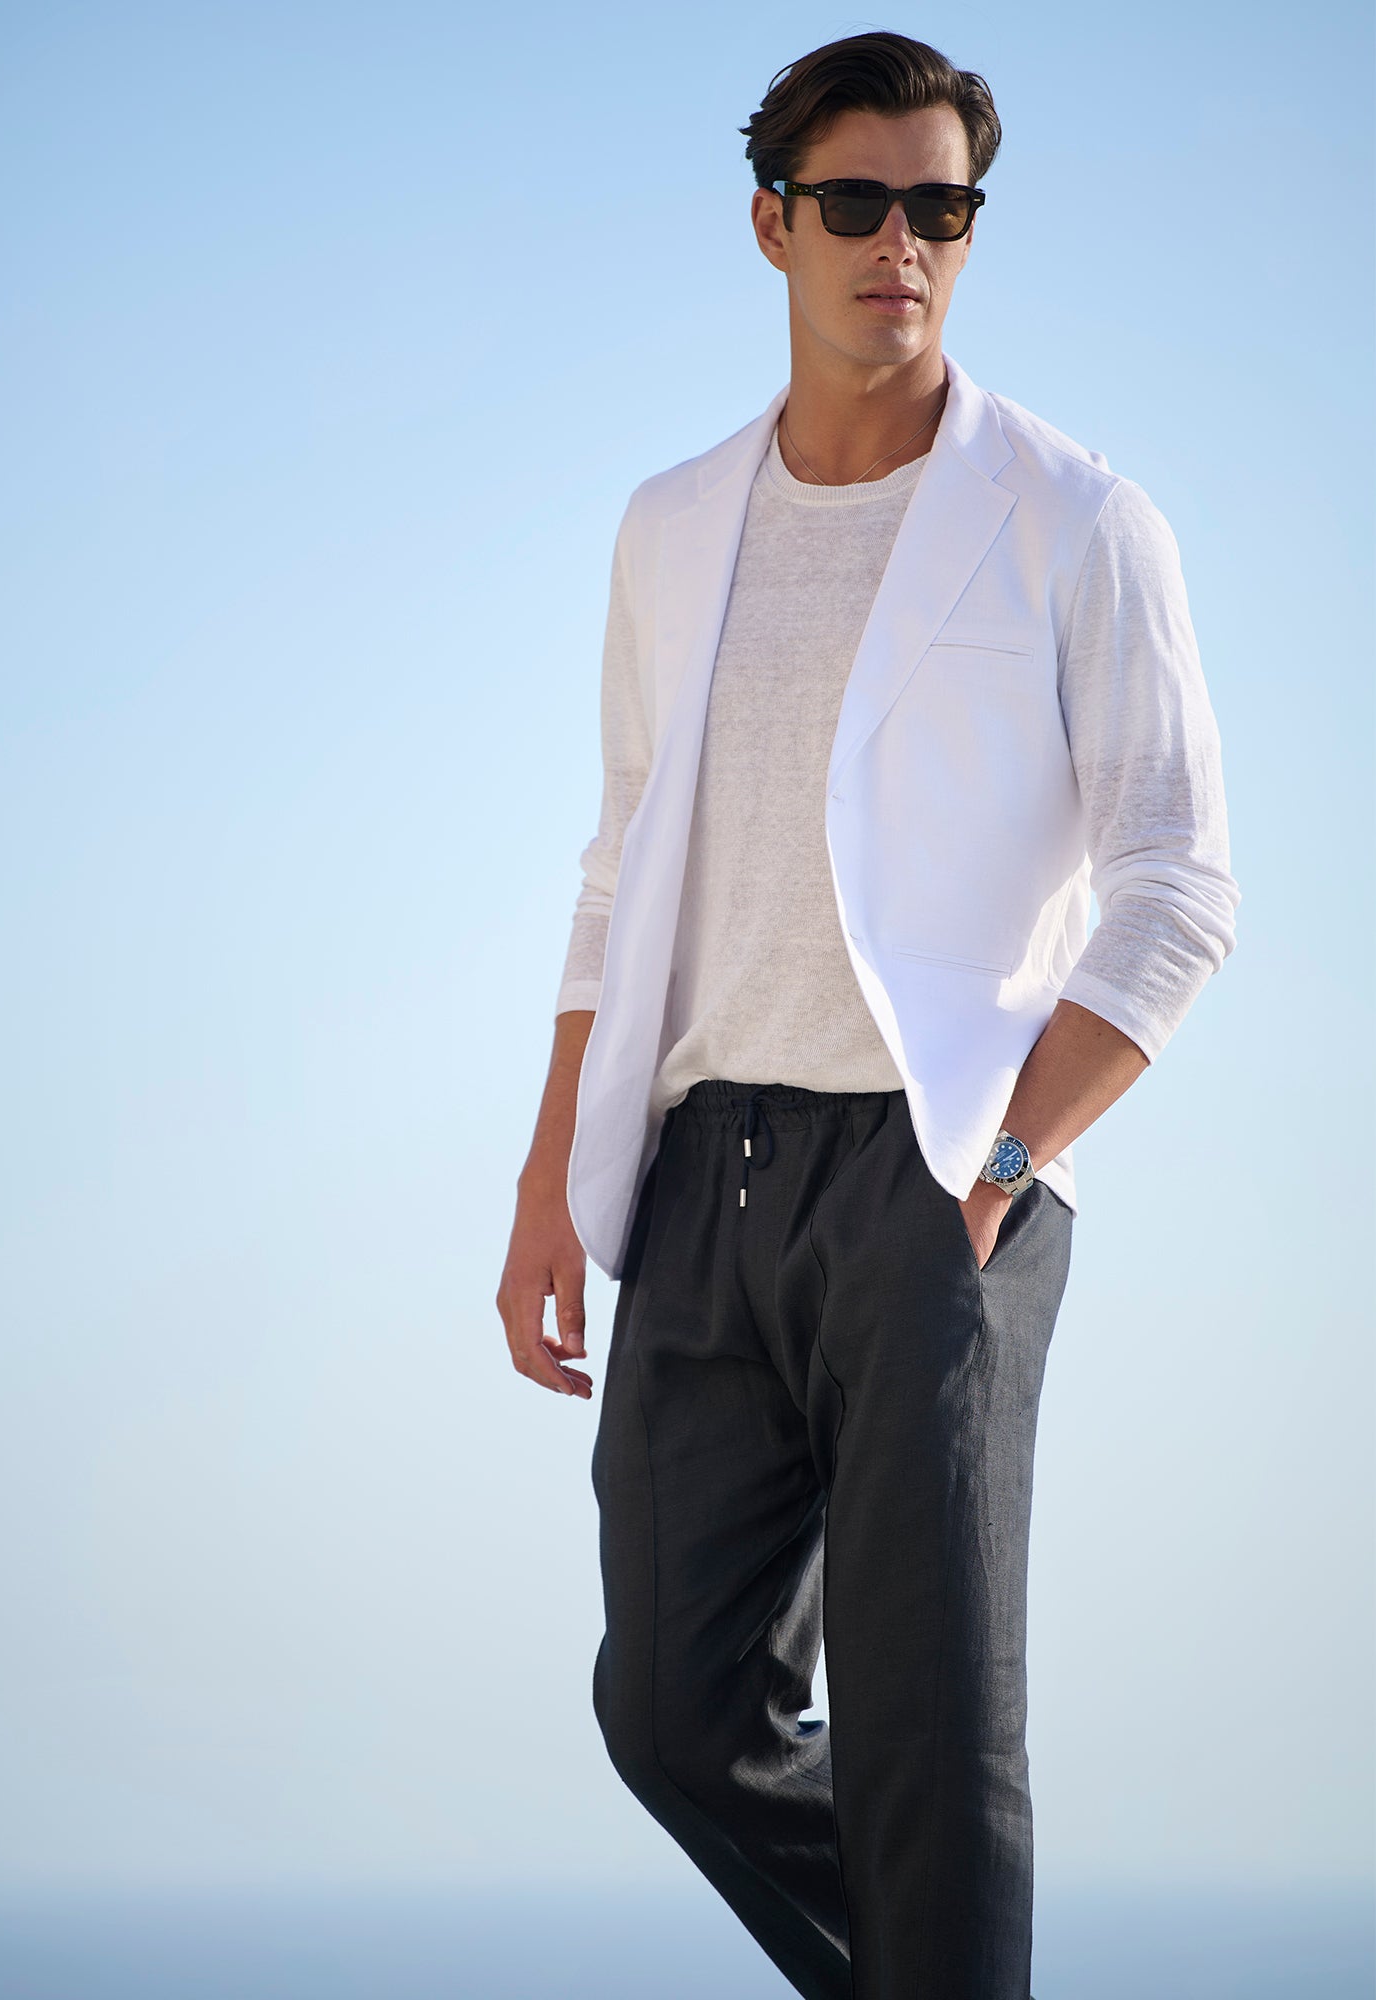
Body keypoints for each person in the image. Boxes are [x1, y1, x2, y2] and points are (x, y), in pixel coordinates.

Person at [495, 28, 1239, 2000]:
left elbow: (1181, 888)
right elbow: (620, 866)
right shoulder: (669, 524)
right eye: (855, 203)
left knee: (932, 1734)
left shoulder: (1078, 519)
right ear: (773, 224)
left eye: (941, 208)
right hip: (701, 1178)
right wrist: (550, 1178)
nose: (899, 243)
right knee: (672, 1703)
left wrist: (1004, 1161)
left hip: (939, 1182)